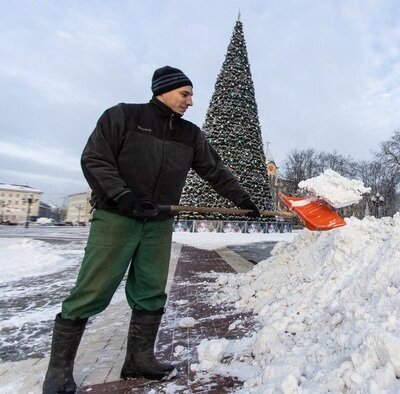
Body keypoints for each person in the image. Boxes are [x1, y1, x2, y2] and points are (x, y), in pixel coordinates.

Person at [42, 66, 260, 393]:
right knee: (92, 290)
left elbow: (215, 171)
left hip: (157, 224)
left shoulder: (190, 135)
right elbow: (95, 159)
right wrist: (123, 196)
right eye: (185, 94)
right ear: (164, 89)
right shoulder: (123, 117)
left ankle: (139, 359)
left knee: (150, 290)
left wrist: (244, 199)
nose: (190, 101)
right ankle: (57, 372)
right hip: (117, 219)